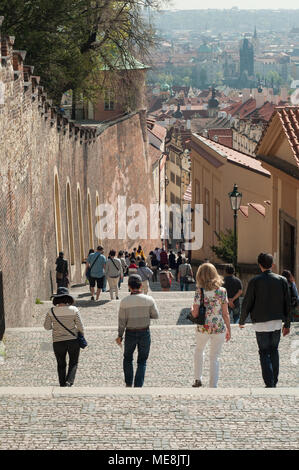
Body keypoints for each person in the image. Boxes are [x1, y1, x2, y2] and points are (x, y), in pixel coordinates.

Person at [240, 253, 291, 388]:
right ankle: (274, 379)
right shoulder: (282, 280)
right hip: (276, 322)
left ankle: (269, 382)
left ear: (259, 265)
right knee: (274, 350)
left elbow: (247, 302)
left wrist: (242, 319)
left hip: (260, 323)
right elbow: (287, 303)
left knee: (263, 352)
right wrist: (287, 323)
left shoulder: (255, 281)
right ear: (272, 264)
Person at [191, 263, 231, 388]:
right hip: (218, 327)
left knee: (199, 350)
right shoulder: (222, 291)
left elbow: (195, 313)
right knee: (215, 357)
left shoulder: (200, 291)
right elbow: (225, 313)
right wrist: (229, 328)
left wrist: (192, 308)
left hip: (203, 327)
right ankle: (213, 385)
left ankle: (198, 379)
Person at [115, 274, 159, 387]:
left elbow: (122, 321)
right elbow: (155, 315)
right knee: (142, 361)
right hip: (144, 332)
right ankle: (138, 385)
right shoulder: (149, 299)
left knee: (128, 358)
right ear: (141, 285)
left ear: (129, 286)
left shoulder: (125, 301)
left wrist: (120, 335)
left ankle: (129, 383)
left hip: (130, 332)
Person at [44, 287, 84, 387]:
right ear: (68, 299)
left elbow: (47, 327)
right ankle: (69, 382)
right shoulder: (74, 310)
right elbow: (80, 327)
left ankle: (62, 383)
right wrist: (81, 335)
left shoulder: (51, 311)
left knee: (61, 363)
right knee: (73, 362)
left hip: (58, 341)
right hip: (73, 340)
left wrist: (55, 326)